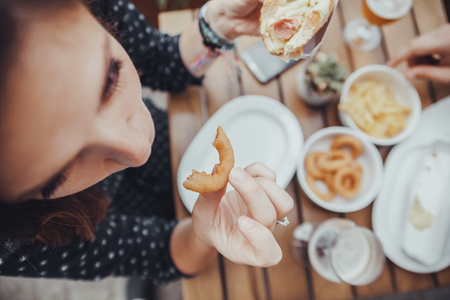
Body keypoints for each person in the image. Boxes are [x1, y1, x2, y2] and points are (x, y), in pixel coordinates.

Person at [0, 0, 294, 285]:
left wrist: (216, 28)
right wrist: (205, 234)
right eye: (58, 173)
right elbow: (159, 254)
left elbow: (161, 60)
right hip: (129, 213)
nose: (140, 148)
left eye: (110, 79)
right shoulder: (13, 244)